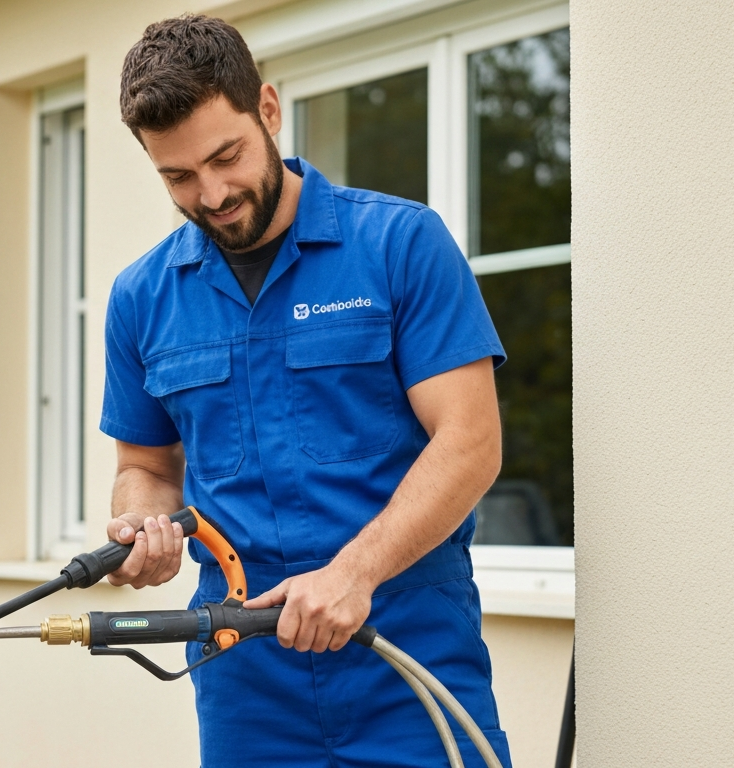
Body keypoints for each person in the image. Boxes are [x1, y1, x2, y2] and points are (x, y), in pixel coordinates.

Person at [100, 14, 513, 767]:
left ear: (267, 108)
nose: (212, 193)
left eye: (226, 157)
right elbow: (148, 469)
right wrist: (140, 527)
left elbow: (471, 443)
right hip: (244, 682)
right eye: (178, 177)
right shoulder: (141, 298)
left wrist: (352, 574)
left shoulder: (400, 246)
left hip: (404, 655)